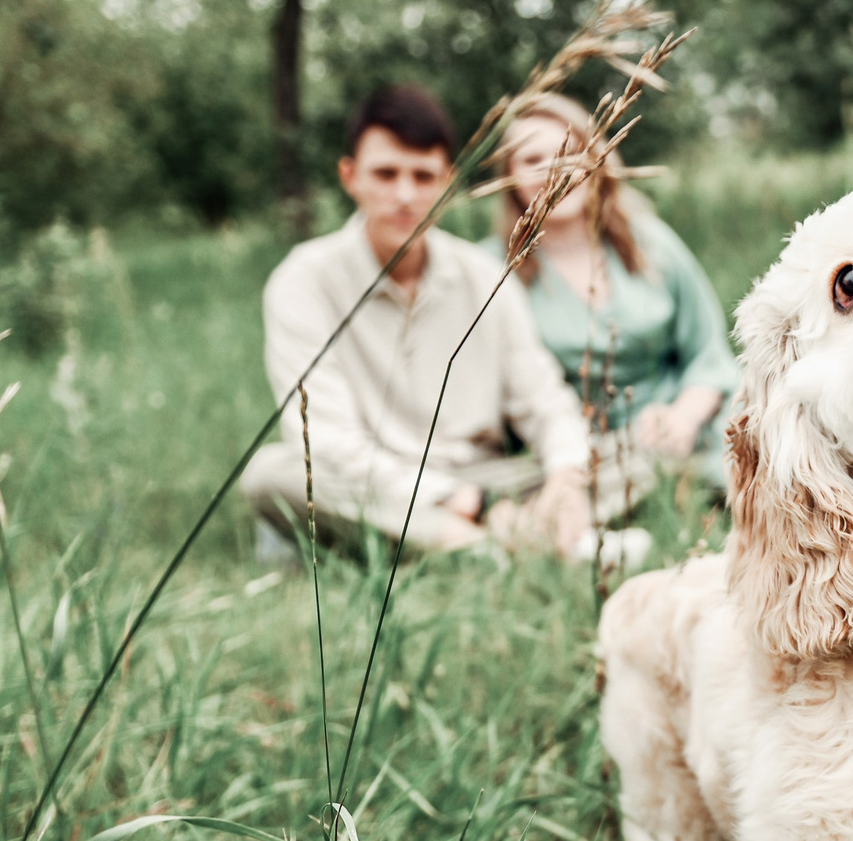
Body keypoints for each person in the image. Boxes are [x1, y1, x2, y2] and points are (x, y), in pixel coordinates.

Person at [241, 85, 605, 560]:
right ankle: (486, 548)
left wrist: (566, 481)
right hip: (378, 482)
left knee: (628, 458)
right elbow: (327, 441)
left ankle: (491, 533)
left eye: (423, 175)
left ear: (447, 182)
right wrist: (456, 501)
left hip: (485, 477)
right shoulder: (303, 280)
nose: (405, 195)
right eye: (386, 174)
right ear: (349, 176)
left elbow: (543, 400)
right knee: (271, 474)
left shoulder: (487, 277)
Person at [491, 95, 739, 484]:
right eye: (531, 159)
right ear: (508, 175)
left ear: (595, 161)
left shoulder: (649, 241)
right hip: (579, 452)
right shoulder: (492, 269)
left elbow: (709, 355)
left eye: (571, 153)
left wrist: (683, 417)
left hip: (687, 419)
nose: (554, 169)